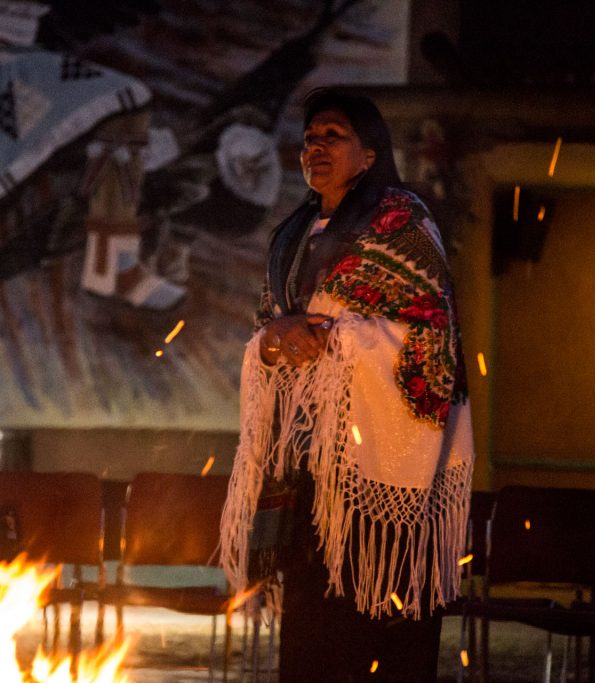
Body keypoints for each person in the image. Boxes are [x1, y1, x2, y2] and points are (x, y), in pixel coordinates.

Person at [220, 88, 475, 681]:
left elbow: (432, 336)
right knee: (313, 636)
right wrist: (277, 338)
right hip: (309, 471)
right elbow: (268, 329)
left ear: (368, 154)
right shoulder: (290, 236)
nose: (315, 146)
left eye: (332, 135)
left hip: (381, 477)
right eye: (309, 137)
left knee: (378, 638)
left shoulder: (401, 222)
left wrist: (335, 341)